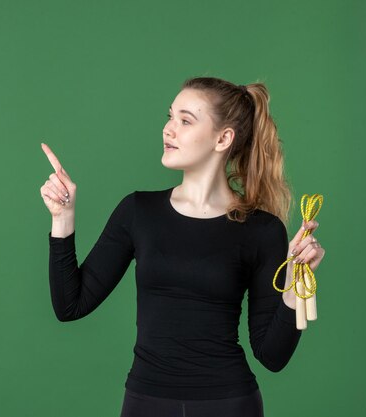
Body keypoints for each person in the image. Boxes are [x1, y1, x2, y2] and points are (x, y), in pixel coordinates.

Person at [39, 76, 326, 417]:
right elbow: (70, 305)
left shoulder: (262, 231)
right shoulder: (137, 212)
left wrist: (295, 284)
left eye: (185, 120)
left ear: (223, 138)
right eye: (170, 116)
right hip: (146, 402)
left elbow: (273, 356)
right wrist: (62, 218)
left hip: (230, 404)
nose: (168, 129)